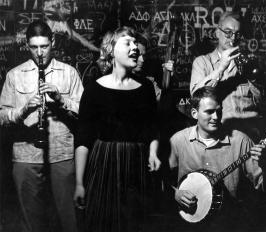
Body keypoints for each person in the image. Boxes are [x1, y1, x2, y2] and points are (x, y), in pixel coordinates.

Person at [73, 26, 161, 232]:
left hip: (136, 166)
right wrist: (79, 182)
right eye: (127, 43)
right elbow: (83, 138)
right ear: (111, 50)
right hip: (104, 163)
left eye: (135, 44)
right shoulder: (93, 88)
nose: (135, 48)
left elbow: (152, 128)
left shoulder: (146, 88)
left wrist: (154, 152)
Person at [0, 20, 83, 232]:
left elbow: (85, 113)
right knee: (30, 221)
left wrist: (61, 100)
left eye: (44, 46)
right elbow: (1, 116)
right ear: (27, 45)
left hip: (61, 153)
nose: (39, 52)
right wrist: (24, 110)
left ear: (52, 42)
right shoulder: (14, 75)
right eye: (34, 47)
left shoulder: (69, 73)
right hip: (25, 155)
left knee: (68, 218)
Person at [168, 86, 265, 231]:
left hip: (229, 223)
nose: (216, 117)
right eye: (209, 112)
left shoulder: (241, 141)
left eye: (219, 111)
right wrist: (175, 193)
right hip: (189, 224)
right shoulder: (178, 141)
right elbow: (162, 180)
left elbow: (262, 185)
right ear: (195, 113)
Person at [190, 11, 264, 141]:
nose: (233, 38)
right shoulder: (202, 62)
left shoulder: (247, 63)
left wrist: (253, 78)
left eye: (237, 34)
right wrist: (220, 68)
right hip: (220, 135)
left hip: (248, 132)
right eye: (228, 32)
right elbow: (195, 95)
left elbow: (260, 100)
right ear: (217, 32)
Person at [132, 33, 174, 102]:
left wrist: (169, 75)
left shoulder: (149, 77)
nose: (142, 60)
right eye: (137, 55)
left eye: (144, 56)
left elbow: (163, 100)